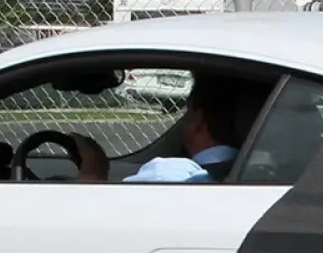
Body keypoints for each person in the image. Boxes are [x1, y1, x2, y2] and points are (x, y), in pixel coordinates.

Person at [73, 73, 261, 184]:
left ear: (198, 121)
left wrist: (93, 174)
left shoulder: (170, 175)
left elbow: (103, 216)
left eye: (188, 113)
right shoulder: (264, 174)